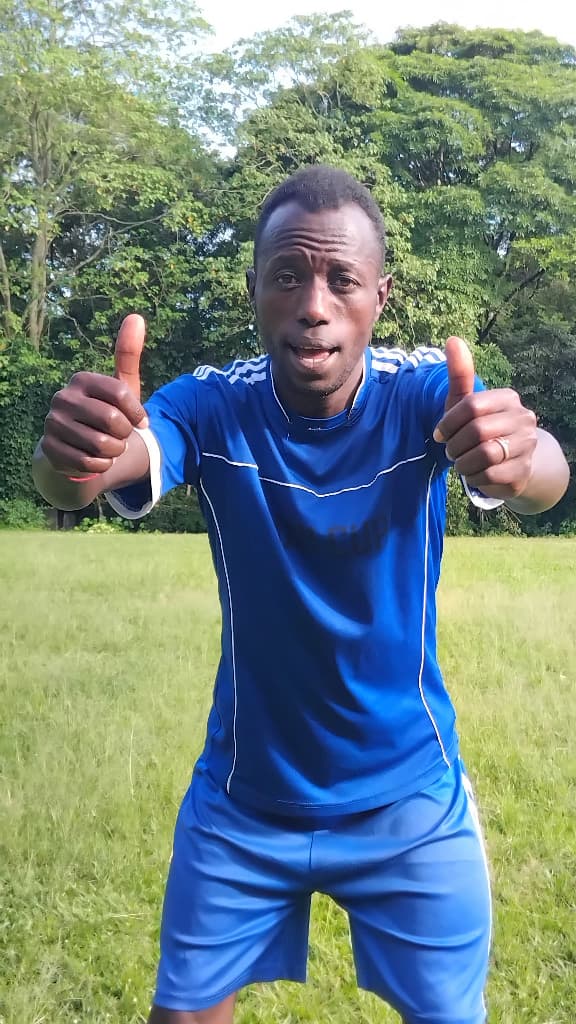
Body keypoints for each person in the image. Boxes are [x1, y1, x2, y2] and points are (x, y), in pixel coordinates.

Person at [33, 165, 569, 1024]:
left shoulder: (424, 395)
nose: (313, 303)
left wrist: (522, 455)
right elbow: (97, 471)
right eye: (288, 275)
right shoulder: (211, 406)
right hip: (244, 802)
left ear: (379, 298)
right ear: (254, 289)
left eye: (341, 279)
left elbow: (542, 475)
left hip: (409, 801)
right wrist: (69, 458)